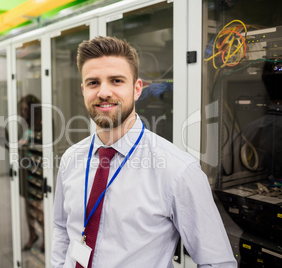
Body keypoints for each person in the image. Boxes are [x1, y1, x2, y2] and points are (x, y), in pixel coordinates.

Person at [51, 36, 237, 267]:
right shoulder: (71, 159)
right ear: (83, 90)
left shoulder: (178, 171)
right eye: (93, 83)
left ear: (137, 89)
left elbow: (217, 261)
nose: (104, 92)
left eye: (116, 80)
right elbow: (61, 226)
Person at [18, 94, 45, 253]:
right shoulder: (25, 125)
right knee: (28, 205)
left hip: (38, 171)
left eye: (25, 109)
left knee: (37, 207)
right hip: (25, 170)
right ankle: (32, 235)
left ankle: (46, 237)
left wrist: (29, 141)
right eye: (21, 109)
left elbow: (47, 147)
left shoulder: (44, 122)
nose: (23, 112)